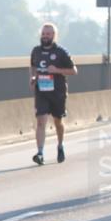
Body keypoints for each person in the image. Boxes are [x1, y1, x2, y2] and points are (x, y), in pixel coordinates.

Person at [29, 23, 77, 165]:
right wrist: (33, 77)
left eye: (48, 34)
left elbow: (74, 71)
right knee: (40, 121)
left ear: (54, 36)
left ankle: (60, 145)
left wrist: (57, 70)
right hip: (41, 91)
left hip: (57, 92)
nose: (45, 36)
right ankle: (40, 153)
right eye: (43, 34)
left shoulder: (61, 52)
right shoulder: (36, 51)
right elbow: (33, 66)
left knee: (58, 122)